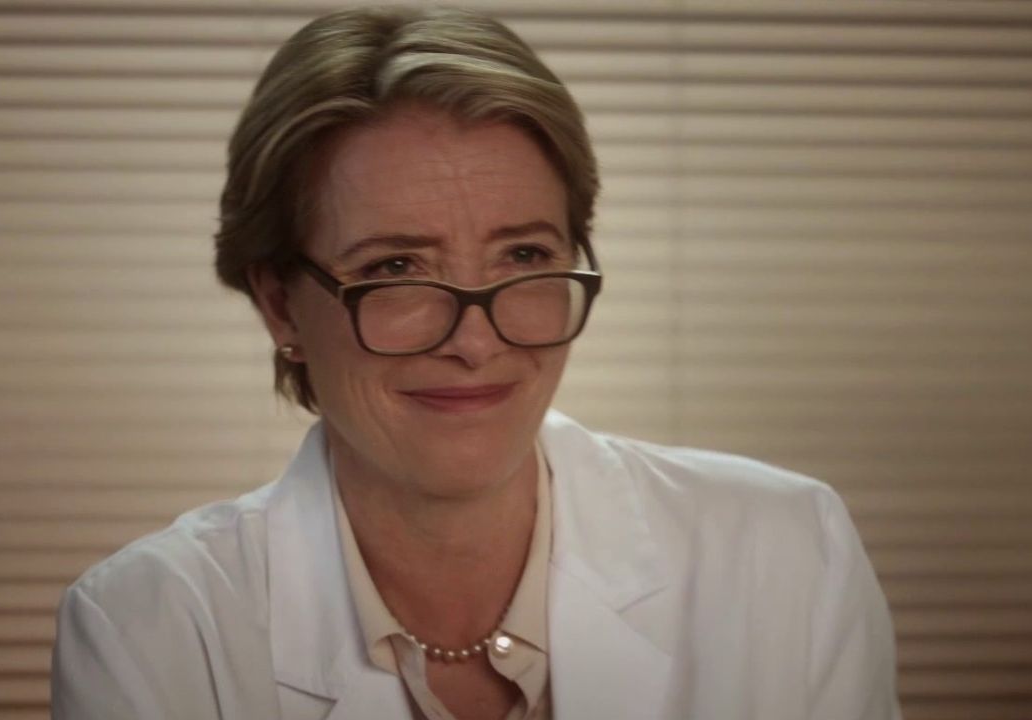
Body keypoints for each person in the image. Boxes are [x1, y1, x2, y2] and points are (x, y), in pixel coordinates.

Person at [50, 7, 901, 720]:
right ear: (280, 303)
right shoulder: (149, 629)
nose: (476, 340)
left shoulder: (788, 553)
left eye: (525, 256)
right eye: (396, 267)